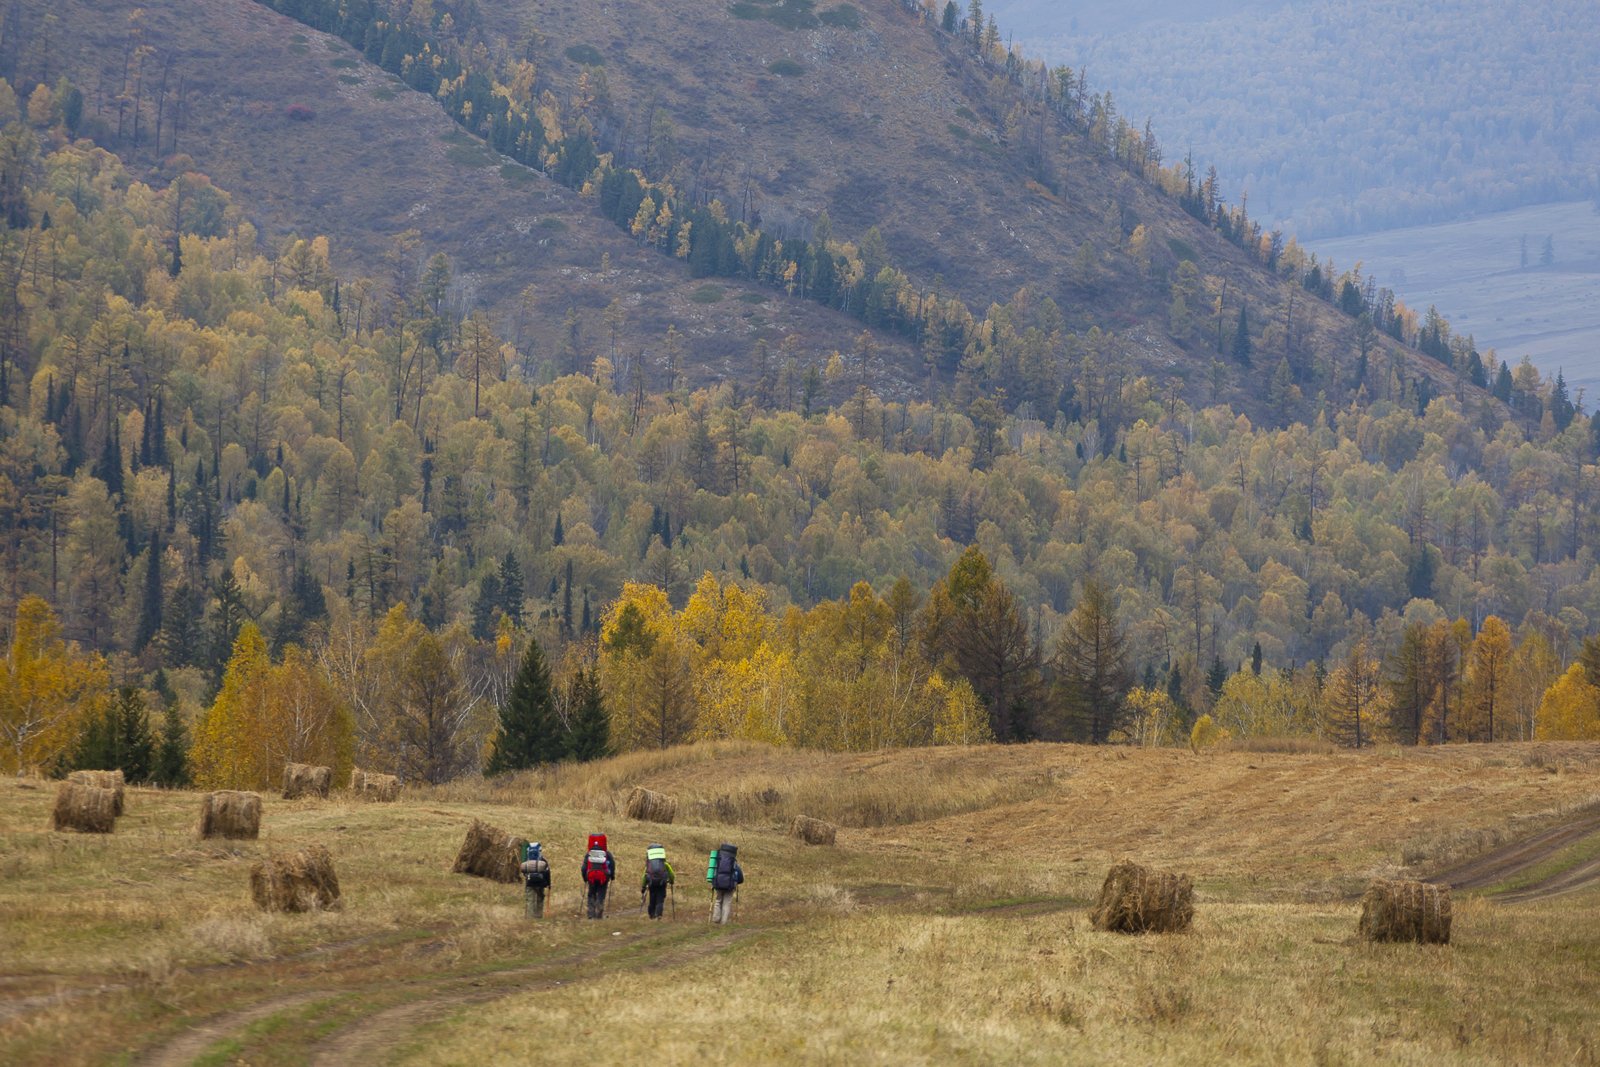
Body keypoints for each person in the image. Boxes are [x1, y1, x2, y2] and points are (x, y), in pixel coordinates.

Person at [580, 833, 616, 919]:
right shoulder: (607, 854)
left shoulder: (589, 854)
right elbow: (612, 865)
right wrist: (612, 876)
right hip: (604, 877)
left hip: (591, 877)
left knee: (591, 894)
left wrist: (585, 878)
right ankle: (599, 913)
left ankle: (590, 914)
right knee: (601, 894)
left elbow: (583, 867)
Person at [707, 842, 743, 925]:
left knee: (718, 900)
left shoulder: (717, 861)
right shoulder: (734, 863)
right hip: (730, 885)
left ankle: (716, 919)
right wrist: (737, 882)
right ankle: (723, 922)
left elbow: (713, 871)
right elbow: (740, 877)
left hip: (718, 883)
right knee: (726, 903)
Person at [640, 843, 675, 920]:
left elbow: (644, 875)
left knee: (652, 898)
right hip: (662, 884)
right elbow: (671, 874)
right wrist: (671, 881)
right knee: (660, 898)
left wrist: (643, 887)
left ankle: (651, 915)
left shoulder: (649, 865)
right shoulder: (665, 864)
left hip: (652, 884)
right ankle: (658, 914)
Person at [519, 841, 550, 919]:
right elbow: (547, 872)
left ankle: (530, 917)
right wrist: (548, 884)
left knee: (530, 900)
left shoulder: (526, 861)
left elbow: (523, 871)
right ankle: (538, 916)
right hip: (540, 883)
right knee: (540, 899)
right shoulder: (543, 860)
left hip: (529, 883)